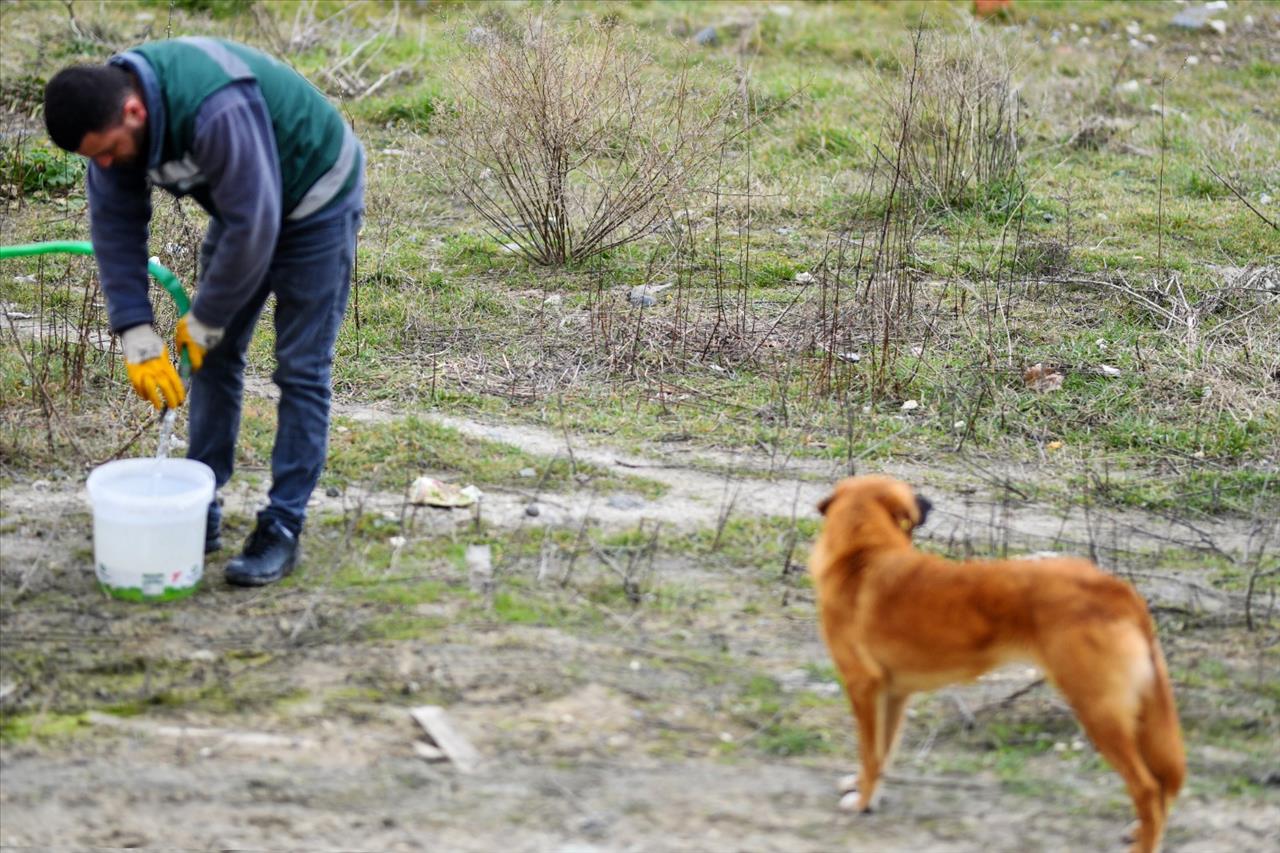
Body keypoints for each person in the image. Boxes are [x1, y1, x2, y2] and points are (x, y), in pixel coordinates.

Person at [44, 37, 364, 587]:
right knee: (210, 358)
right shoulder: (110, 130)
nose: (103, 163)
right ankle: (199, 501)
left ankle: (282, 526)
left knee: (301, 368)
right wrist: (137, 335)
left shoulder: (217, 105)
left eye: (106, 150)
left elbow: (256, 226)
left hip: (315, 199)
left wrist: (206, 316)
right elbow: (116, 232)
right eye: (92, 156)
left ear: (134, 111)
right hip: (246, 206)